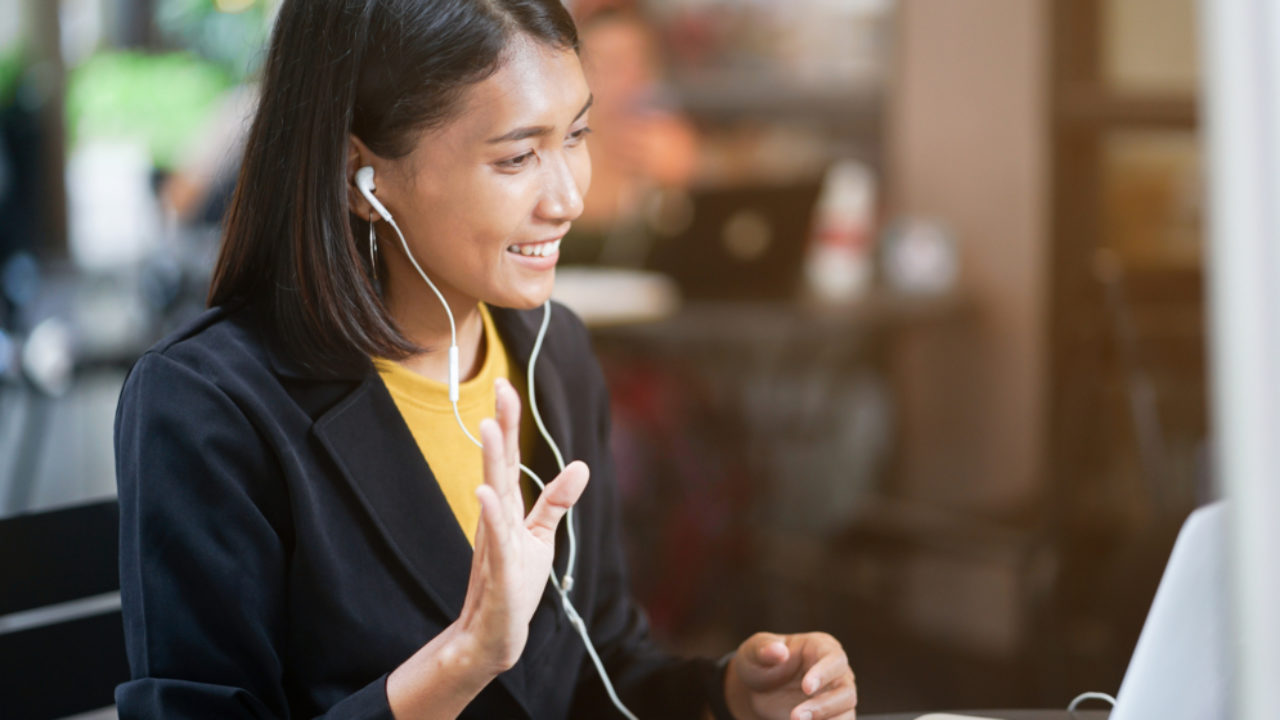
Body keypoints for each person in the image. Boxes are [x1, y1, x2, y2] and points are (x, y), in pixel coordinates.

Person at [113, 1, 857, 718]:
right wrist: (463, 661)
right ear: (360, 178)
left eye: (577, 135)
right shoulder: (210, 405)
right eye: (518, 156)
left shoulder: (550, 351)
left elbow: (602, 667)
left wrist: (728, 695)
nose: (566, 197)